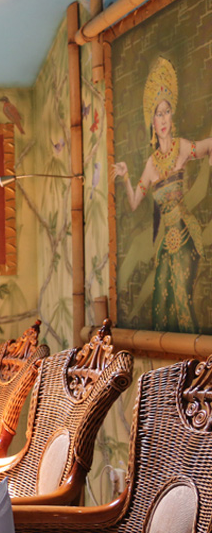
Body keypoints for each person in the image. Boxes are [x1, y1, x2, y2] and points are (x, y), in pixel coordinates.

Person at [113, 56, 212, 333]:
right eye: (158, 114)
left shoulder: (182, 147)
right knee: (159, 305)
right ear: (153, 123)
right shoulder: (151, 164)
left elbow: (208, 146)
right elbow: (135, 202)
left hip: (186, 235)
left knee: (181, 300)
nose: (164, 118)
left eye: (167, 111)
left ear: (172, 115)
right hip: (166, 245)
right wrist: (125, 177)